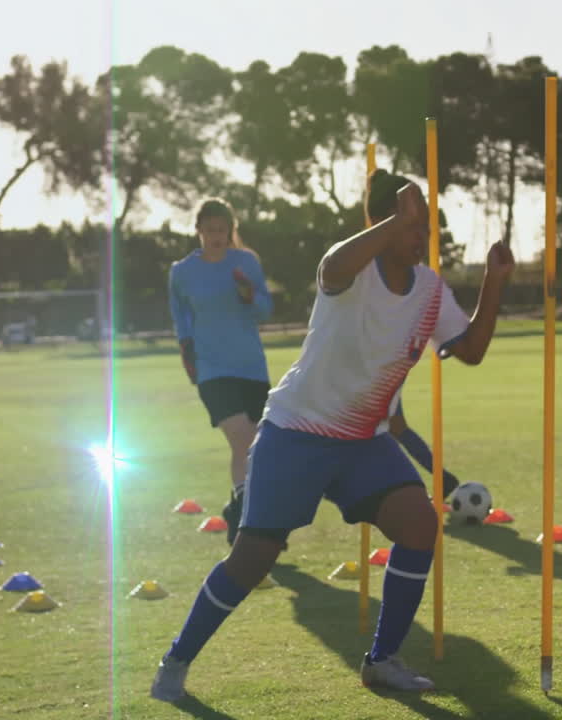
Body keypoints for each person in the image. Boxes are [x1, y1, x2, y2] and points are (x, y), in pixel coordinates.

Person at [151, 169, 514, 701]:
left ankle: (382, 661)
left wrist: (494, 282)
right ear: (384, 224)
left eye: (427, 229)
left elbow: (472, 350)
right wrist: (393, 222)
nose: (422, 237)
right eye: (413, 227)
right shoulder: (352, 270)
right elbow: (331, 267)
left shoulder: (430, 291)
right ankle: (176, 661)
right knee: (252, 559)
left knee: (420, 525)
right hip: (295, 432)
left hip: (364, 441)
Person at [169, 198, 273, 546]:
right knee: (242, 438)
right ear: (198, 229)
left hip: (251, 367)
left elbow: (265, 309)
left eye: (222, 230)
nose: (216, 236)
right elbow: (181, 320)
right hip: (212, 369)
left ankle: (239, 512)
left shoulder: (246, 262)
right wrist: (187, 353)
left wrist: (249, 295)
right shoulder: (182, 272)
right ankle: (252, 520)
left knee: (254, 447)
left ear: (231, 231)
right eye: (210, 230)